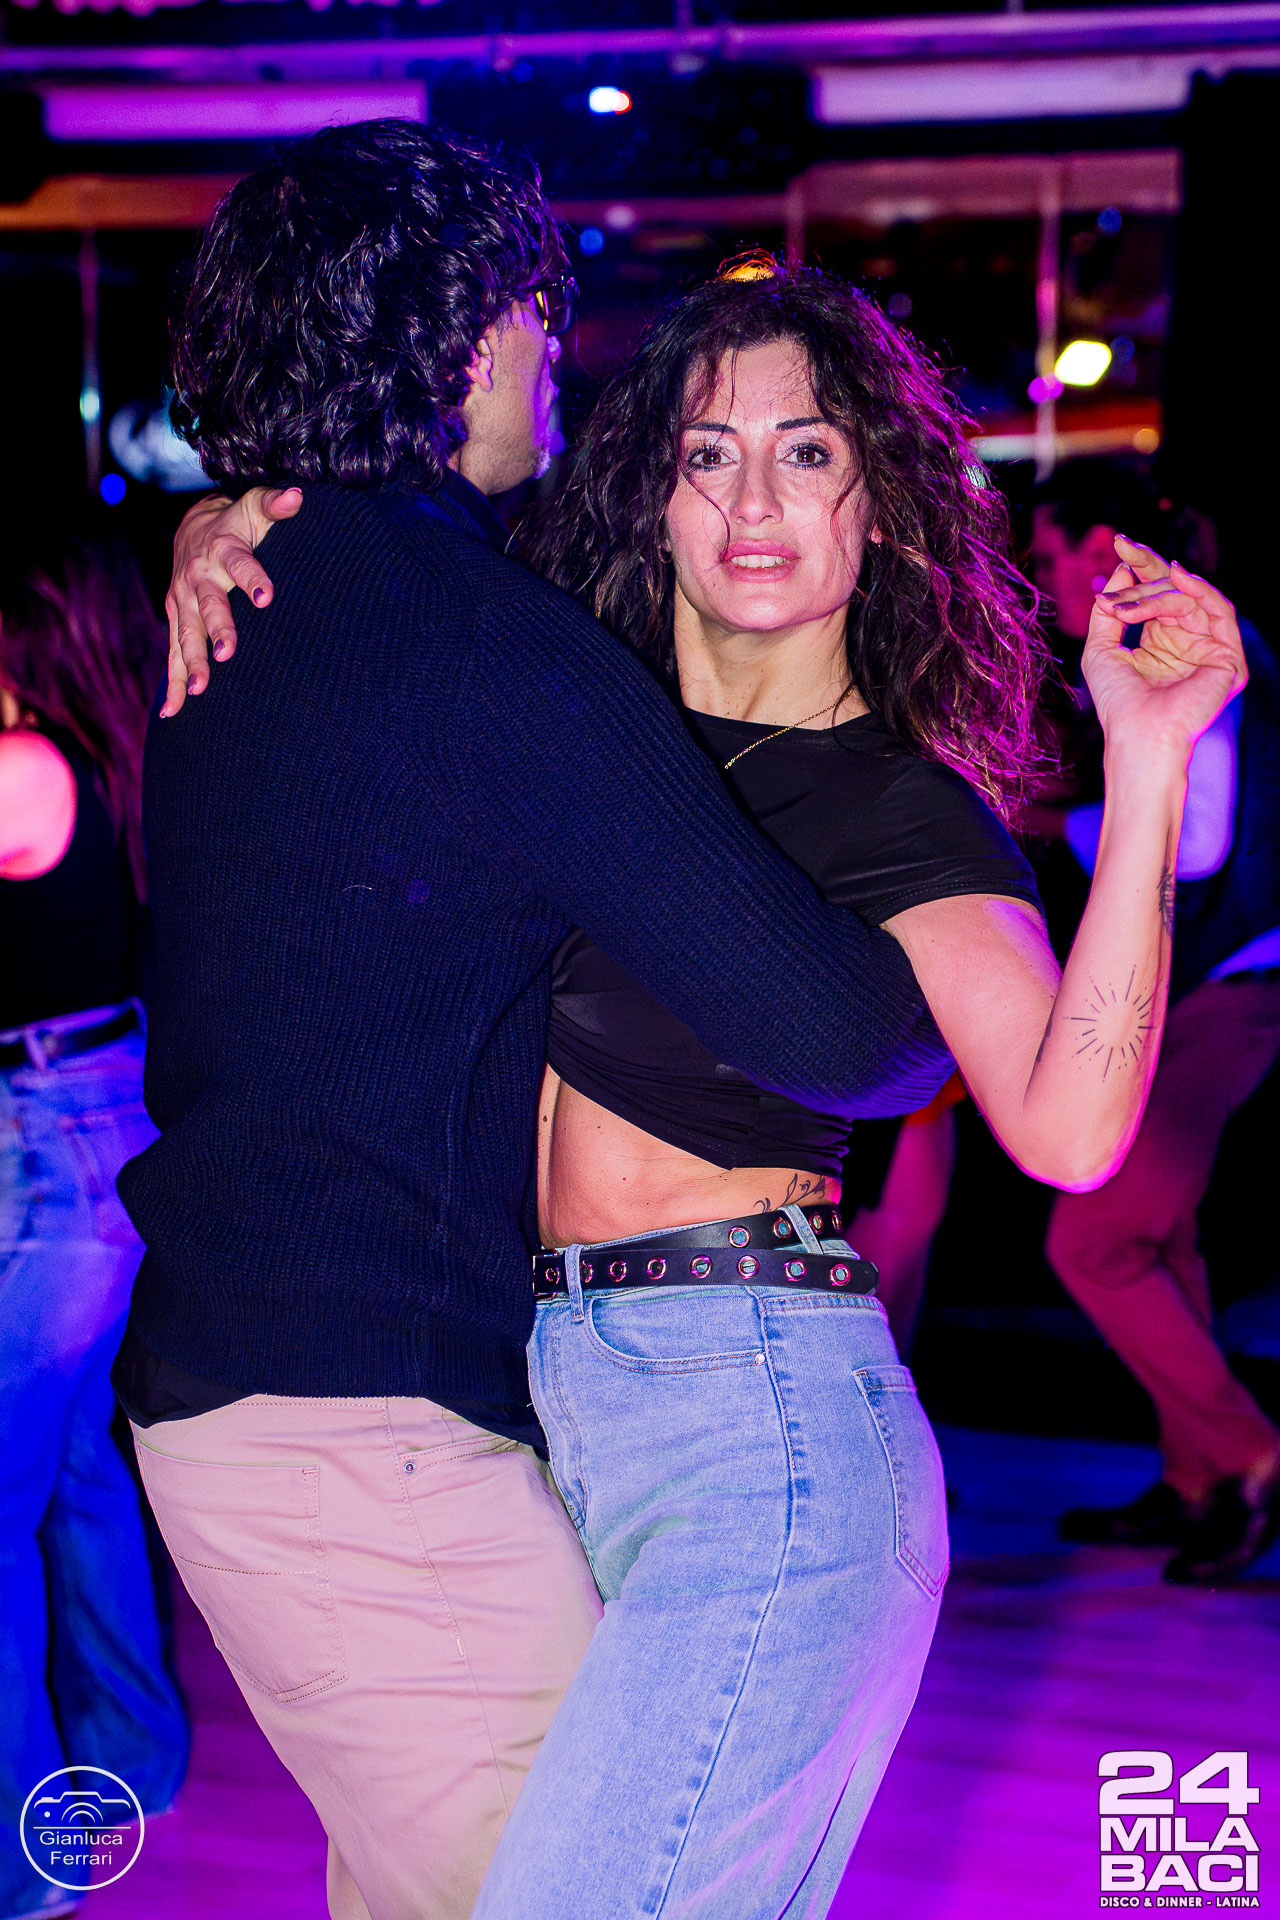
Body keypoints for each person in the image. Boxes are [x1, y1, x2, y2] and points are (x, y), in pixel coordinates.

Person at [169, 250, 1245, 1918]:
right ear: (650, 494)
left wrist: (1152, 760)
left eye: (807, 451)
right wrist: (228, 521)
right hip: (529, 1413)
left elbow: (1073, 1128)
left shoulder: (900, 807)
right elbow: (376, 570)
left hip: (759, 1423)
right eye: (708, 452)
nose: (754, 500)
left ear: (879, 503)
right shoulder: (561, 712)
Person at [114, 123, 960, 1920]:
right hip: (358, 1432)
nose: (552, 358)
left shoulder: (255, 603)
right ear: (462, 339)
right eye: (530, 315)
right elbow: (849, 1040)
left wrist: (209, 516)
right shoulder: (483, 647)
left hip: (286, 1399)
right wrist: (948, 914)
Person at [1030, 460, 1280, 1584]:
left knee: (1091, 1240)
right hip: (1221, 987)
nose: (1039, 579)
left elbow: (1201, 838)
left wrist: (1057, 825)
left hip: (1234, 985)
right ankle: (1194, 1479)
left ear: (1102, 551)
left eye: (1048, 556)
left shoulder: (1188, 642)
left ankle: (1251, 1453)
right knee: (1160, 1240)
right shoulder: (1182, 638)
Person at [0, 537, 188, 1920]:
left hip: (38, 1147)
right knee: (72, 1471)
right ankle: (135, 1759)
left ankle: (22, 1865)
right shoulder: (115, 758)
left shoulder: (23, 766)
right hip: (97, 1125)